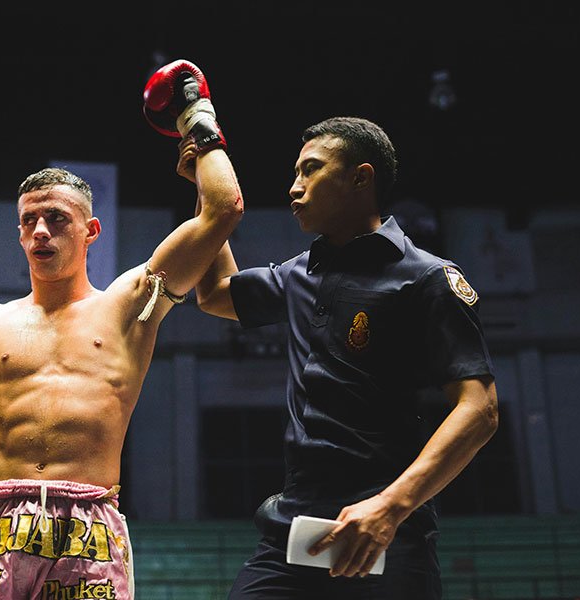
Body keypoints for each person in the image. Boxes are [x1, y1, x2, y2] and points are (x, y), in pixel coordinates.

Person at [0, 59, 242, 599]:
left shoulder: (128, 305)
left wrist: (197, 118)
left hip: (90, 530)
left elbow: (223, 210)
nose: (40, 231)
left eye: (56, 218)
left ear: (91, 230)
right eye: (29, 221)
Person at [186, 116, 499, 599]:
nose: (294, 187)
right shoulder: (297, 276)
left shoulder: (427, 278)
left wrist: (391, 508)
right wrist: (211, 202)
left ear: (361, 177)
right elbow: (214, 294)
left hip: (388, 531)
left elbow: (480, 410)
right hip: (295, 529)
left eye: (310, 170)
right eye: (295, 173)